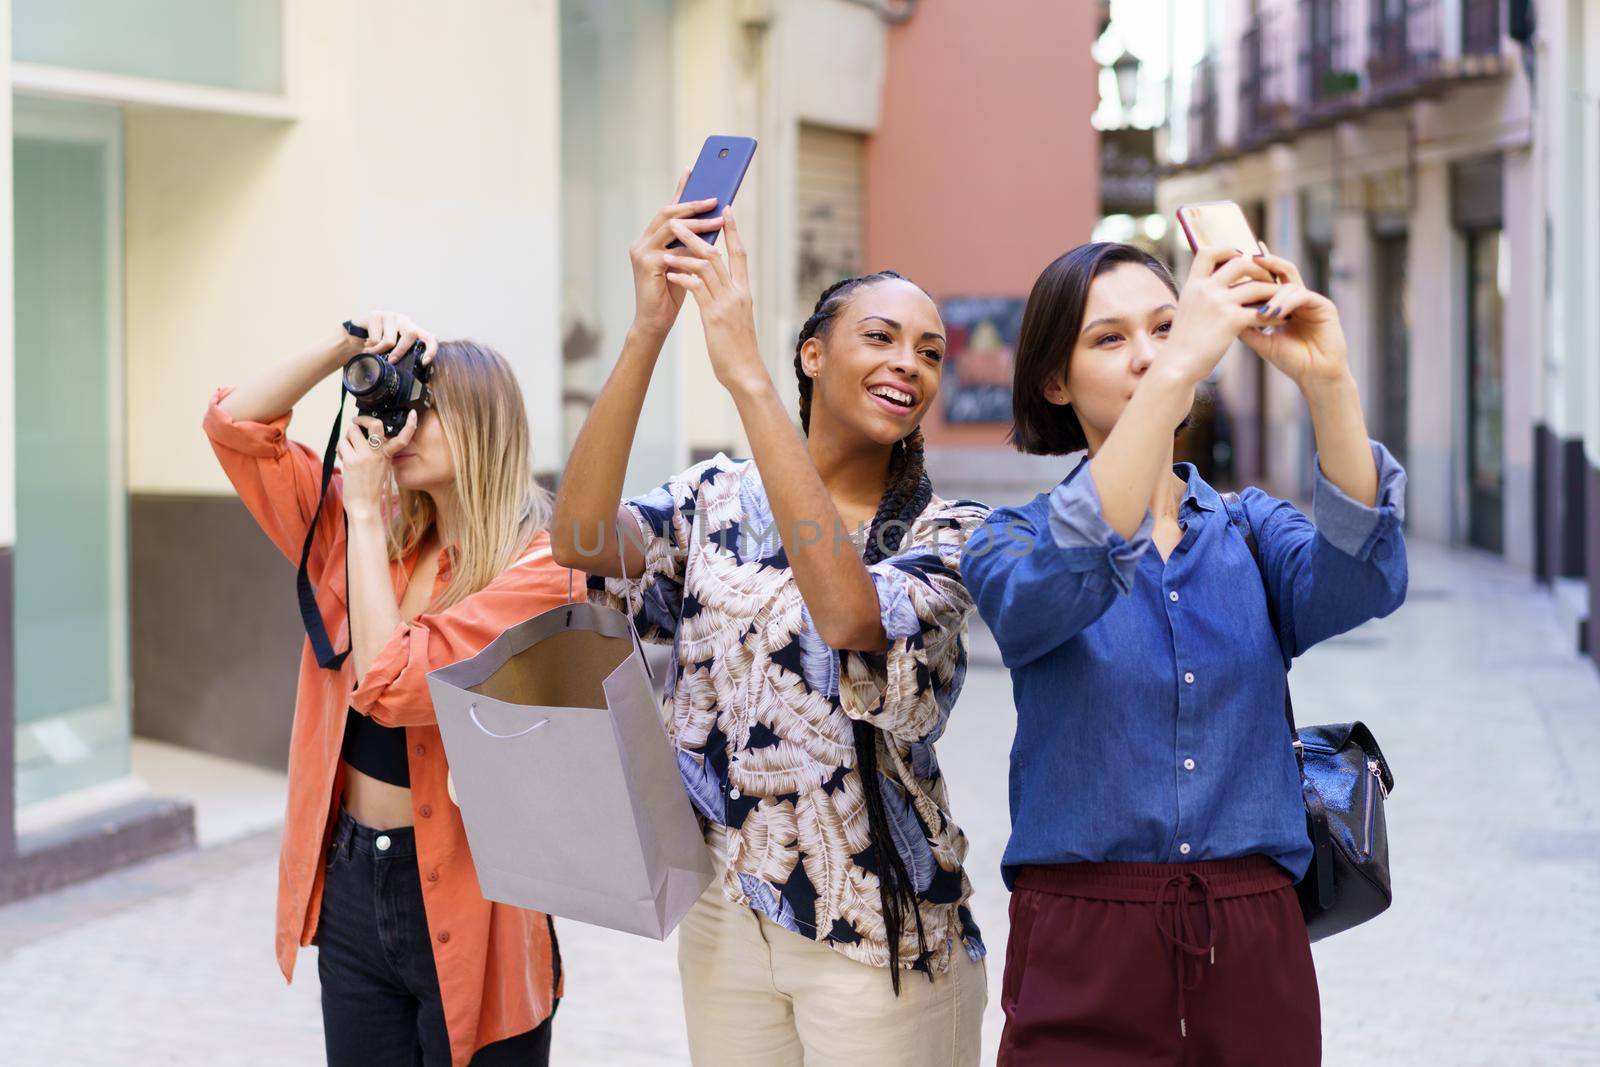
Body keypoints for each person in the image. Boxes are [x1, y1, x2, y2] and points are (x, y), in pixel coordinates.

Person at [550, 178, 989, 1065]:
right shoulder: (713, 498)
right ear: (814, 356)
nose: (910, 362)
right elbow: (585, 537)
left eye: (931, 352)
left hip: (878, 936)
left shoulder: (951, 532)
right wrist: (650, 330)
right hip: (730, 911)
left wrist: (744, 371)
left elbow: (849, 613)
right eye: (880, 336)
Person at [962, 243, 1408, 1066]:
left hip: (1253, 931)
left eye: (1167, 327)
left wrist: (1328, 380)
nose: (1147, 354)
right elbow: (1055, 585)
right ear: (1054, 381)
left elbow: (1362, 580)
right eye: (1109, 339)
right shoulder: (1010, 538)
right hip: (1081, 933)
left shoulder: (1249, 529)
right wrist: (1175, 369)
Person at [204, 313, 577, 1066]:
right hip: (349, 880)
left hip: (478, 895)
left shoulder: (538, 565)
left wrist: (367, 512)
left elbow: (391, 686)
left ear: (482, 426)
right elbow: (235, 426)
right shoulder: (362, 527)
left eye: (424, 409)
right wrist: (346, 346)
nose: (400, 428)